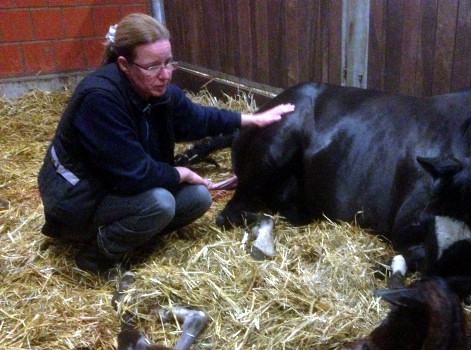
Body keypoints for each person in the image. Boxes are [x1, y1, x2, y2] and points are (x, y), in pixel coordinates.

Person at [37, 13, 294, 277]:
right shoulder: (100, 99)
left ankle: (132, 237)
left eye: (168, 62)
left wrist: (251, 119)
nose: (165, 75)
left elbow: (197, 119)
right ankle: (96, 255)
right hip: (74, 200)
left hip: (111, 187)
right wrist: (180, 173)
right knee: (160, 204)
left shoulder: (156, 92)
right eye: (153, 66)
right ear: (124, 64)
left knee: (198, 198)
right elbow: (133, 175)